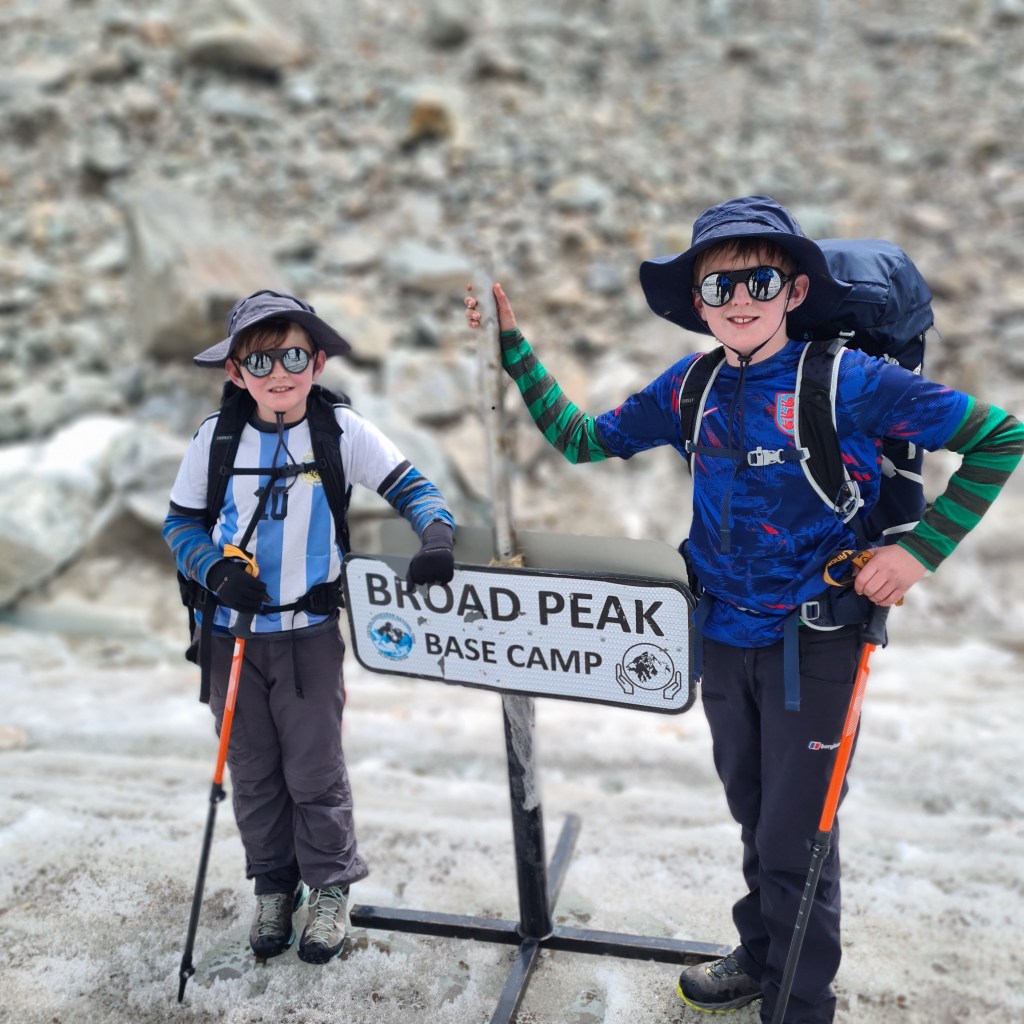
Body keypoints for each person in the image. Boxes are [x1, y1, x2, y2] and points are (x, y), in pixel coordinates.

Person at [464, 196, 1023, 1023]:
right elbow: (585, 440)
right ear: (698, 303)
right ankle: (762, 958)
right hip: (721, 638)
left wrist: (917, 552)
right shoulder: (691, 385)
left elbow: (999, 437)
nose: (738, 298)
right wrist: (512, 352)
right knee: (759, 820)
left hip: (819, 643)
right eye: (718, 286)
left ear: (795, 289)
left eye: (758, 278)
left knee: (800, 840)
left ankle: (798, 1007)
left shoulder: (848, 380)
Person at [165, 290, 456, 964]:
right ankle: (274, 886)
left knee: (314, 770)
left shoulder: (341, 432)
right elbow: (180, 524)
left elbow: (414, 488)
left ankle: (328, 889)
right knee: (253, 770)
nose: (278, 372)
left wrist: (435, 539)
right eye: (259, 359)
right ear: (236, 372)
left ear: (317, 362)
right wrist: (214, 570)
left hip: (308, 636)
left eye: (293, 354)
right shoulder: (216, 438)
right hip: (228, 636)